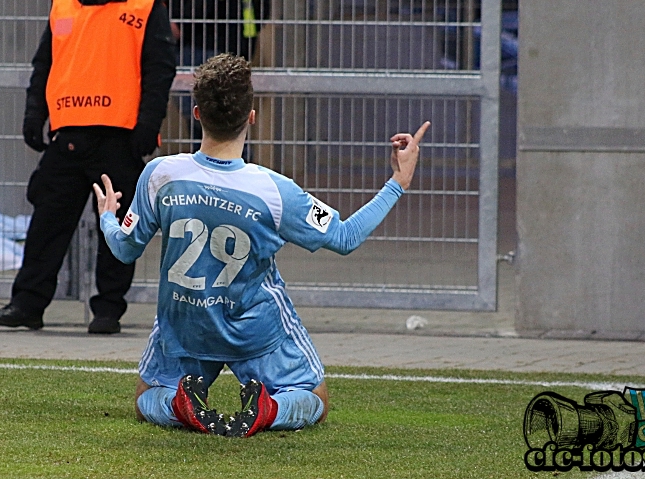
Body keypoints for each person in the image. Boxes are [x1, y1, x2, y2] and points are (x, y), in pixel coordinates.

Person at [92, 53, 430, 436]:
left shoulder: (160, 174)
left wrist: (107, 215)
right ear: (251, 116)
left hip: (187, 324)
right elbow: (346, 237)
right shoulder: (275, 191)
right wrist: (397, 182)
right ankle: (267, 410)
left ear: (198, 113)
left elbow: (123, 248)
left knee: (145, 399)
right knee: (314, 399)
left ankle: (179, 405)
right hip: (252, 329)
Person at [0, 0, 176, 334]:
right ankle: (27, 304)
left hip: (119, 139)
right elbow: (44, 65)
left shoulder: (146, 5)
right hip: (68, 137)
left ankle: (108, 310)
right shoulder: (63, 5)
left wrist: (146, 126)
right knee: (46, 224)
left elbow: (159, 72)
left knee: (117, 232)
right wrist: (33, 115)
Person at [163, 0, 264, 150]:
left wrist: (182, 22)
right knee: (226, 122)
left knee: (209, 122)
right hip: (231, 38)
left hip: (204, 41)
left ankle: (213, 177)